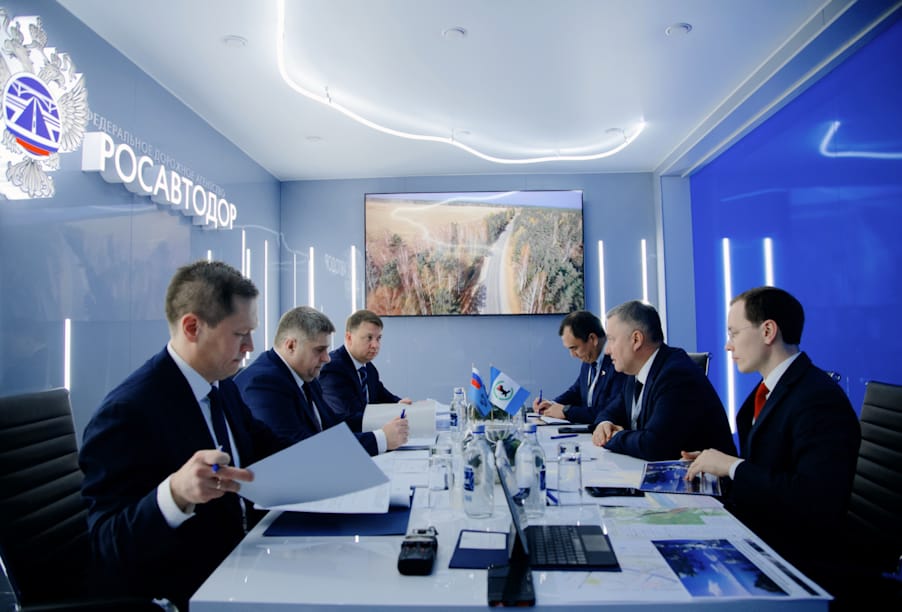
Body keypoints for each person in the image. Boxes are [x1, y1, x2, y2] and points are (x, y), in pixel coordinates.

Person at [79, 261, 290, 609]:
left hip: (246, 560)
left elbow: (266, 446)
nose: (251, 346)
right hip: (194, 587)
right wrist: (175, 494)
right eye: (240, 334)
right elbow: (107, 546)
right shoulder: (128, 411)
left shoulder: (222, 385)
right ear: (192, 327)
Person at [684, 286, 860, 595]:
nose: (727, 345)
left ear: (768, 331)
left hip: (796, 557)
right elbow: (771, 465)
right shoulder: (770, 389)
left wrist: (734, 467)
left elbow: (814, 501)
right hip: (761, 531)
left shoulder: (817, 399)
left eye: (734, 333)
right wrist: (719, 466)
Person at [235, 306, 409, 455]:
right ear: (291, 346)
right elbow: (298, 449)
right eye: (319, 350)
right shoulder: (264, 384)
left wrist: (385, 429)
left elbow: (333, 426)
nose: (327, 358)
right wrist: (380, 439)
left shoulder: (306, 377)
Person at [593, 299, 736, 460]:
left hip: (705, 474)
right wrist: (604, 424)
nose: (607, 350)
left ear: (636, 340)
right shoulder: (634, 373)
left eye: (611, 339)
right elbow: (610, 411)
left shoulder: (676, 375)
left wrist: (613, 438)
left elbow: (654, 445)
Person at [532, 310, 627, 427]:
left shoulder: (617, 362)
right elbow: (576, 391)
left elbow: (610, 411)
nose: (572, 355)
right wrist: (552, 404)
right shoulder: (589, 357)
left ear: (592, 339)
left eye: (574, 348)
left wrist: (567, 411)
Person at [319, 309, 412, 420]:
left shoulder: (369, 368)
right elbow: (347, 418)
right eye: (369, 338)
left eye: (378, 338)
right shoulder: (332, 368)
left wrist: (399, 404)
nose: (375, 345)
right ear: (349, 338)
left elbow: (382, 396)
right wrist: (388, 419)